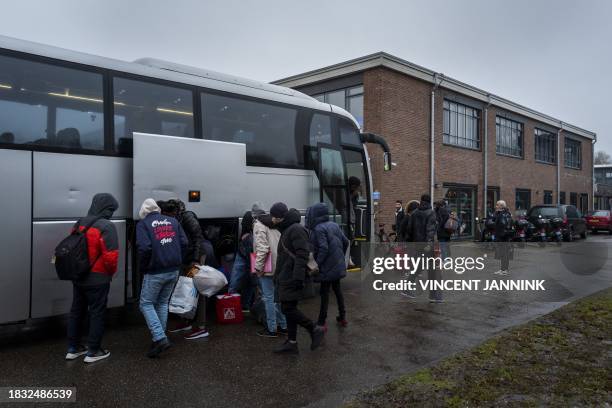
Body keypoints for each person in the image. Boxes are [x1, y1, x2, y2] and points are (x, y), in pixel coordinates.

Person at [66, 193, 119, 363]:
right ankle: (93, 351)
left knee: (76, 312)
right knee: (96, 313)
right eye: (110, 209)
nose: (111, 213)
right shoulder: (107, 226)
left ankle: (73, 348)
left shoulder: (80, 222)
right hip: (98, 278)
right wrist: (110, 273)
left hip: (79, 276)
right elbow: (111, 257)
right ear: (105, 208)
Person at [137, 198, 187, 358]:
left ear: (143, 212)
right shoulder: (173, 221)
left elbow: (144, 248)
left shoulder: (143, 224)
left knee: (146, 303)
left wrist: (143, 267)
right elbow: (184, 243)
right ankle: (159, 338)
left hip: (155, 271)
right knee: (162, 303)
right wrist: (176, 258)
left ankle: (159, 338)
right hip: (173, 269)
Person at [272, 203, 325, 354]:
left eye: (274, 217)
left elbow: (302, 254)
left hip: (292, 277)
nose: (273, 220)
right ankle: (292, 341)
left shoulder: (295, 229)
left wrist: (298, 277)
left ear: (280, 217)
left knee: (287, 308)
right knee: (289, 308)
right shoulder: (288, 229)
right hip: (287, 275)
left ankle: (314, 328)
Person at [165, 199, 215, 340]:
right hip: (187, 258)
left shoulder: (187, 217)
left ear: (176, 210)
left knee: (197, 289)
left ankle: (201, 327)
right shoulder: (178, 218)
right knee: (184, 289)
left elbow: (198, 237)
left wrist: (195, 260)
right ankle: (185, 321)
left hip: (195, 258)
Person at [306, 202, 350, 330]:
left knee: (324, 294)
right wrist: (339, 257)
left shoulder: (319, 228)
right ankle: (343, 318)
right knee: (337, 291)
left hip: (326, 267)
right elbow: (346, 241)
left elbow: (324, 248)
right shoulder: (335, 225)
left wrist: (316, 264)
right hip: (336, 265)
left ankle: (321, 323)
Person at [252, 203, 287, 338]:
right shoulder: (273, 224)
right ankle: (283, 325)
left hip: (267, 267)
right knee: (277, 298)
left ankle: (271, 328)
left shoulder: (259, 225)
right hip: (278, 265)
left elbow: (263, 249)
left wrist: (258, 268)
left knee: (268, 298)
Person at [402, 194, 437, 299]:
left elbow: (409, 230)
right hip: (426, 246)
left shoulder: (414, 213)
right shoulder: (431, 213)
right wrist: (429, 244)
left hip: (416, 245)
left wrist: (409, 243)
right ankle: (433, 294)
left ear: (421, 201)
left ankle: (407, 288)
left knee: (418, 267)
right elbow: (430, 231)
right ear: (429, 201)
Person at [228, 211, 257, 313]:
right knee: (247, 282)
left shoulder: (249, 216)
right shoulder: (254, 218)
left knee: (236, 280)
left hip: (245, 253)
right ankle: (238, 305)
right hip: (249, 254)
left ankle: (231, 305)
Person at [493, 200, 513, 276]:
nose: (496, 206)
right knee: (504, 254)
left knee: (504, 254)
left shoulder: (503, 214)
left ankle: (504, 270)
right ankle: (503, 269)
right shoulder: (507, 213)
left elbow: (503, 224)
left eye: (497, 205)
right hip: (505, 237)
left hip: (503, 237)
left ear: (501, 206)